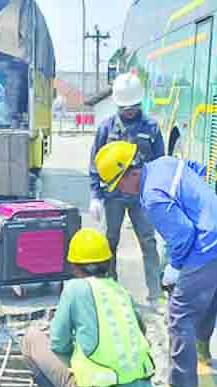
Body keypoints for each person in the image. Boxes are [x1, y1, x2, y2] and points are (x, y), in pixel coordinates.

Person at [94, 141, 217, 387]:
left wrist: (174, 266)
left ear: (131, 173)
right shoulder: (165, 163)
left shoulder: (152, 198)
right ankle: (201, 348)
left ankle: (183, 384)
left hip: (206, 245)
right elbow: (199, 170)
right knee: (210, 300)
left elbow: (183, 234)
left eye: (119, 185)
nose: (120, 192)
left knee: (179, 313)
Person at [21, 228, 156, 387]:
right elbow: (139, 332)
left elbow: (58, 343)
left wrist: (73, 347)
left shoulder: (75, 289)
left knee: (31, 339)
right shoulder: (122, 292)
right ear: (108, 263)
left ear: (74, 267)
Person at [89, 72, 164, 306]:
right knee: (110, 241)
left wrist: (157, 194)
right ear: (117, 104)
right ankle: (112, 289)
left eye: (133, 106)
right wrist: (95, 196)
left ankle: (155, 293)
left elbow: (160, 161)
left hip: (141, 196)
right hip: (114, 196)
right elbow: (95, 163)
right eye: (125, 107)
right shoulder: (106, 128)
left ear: (140, 102)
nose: (129, 111)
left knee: (148, 242)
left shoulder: (151, 127)